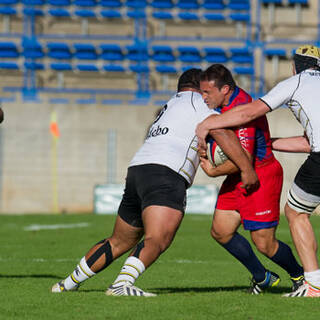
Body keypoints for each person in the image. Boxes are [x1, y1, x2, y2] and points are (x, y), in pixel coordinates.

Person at [51, 68, 258, 296]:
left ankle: (67, 284)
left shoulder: (169, 106)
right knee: (158, 238)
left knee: (118, 240)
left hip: (138, 171)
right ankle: (121, 285)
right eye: (206, 89)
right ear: (199, 87)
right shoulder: (197, 103)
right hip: (166, 174)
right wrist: (246, 168)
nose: (208, 95)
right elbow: (223, 133)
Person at [196, 45, 320, 297]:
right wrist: (270, 142)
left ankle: (306, 280)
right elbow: (310, 141)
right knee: (221, 230)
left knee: (283, 224)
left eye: (207, 92)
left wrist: (209, 125)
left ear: (294, 67)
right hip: (245, 172)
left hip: (259, 174)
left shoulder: (293, 83)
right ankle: (264, 277)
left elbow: (250, 119)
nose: (204, 98)